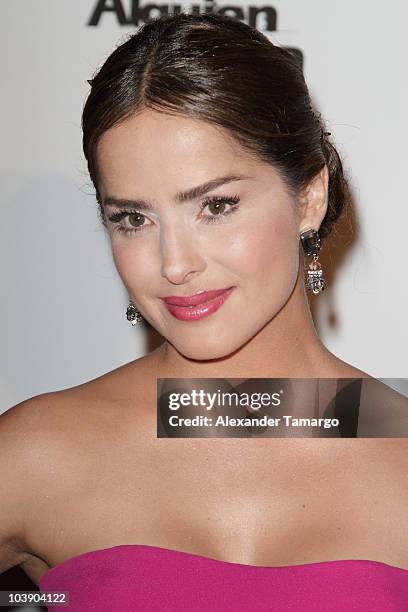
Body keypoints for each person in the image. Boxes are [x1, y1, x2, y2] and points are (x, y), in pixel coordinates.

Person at [1, 12, 407, 611]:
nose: (173, 263)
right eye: (133, 219)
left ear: (308, 198)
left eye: (215, 205)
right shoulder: (39, 451)